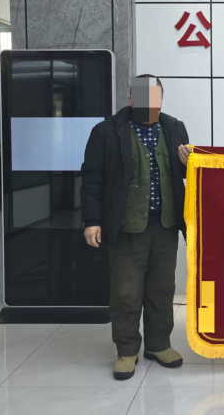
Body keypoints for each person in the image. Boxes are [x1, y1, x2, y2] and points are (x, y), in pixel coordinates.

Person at [80, 74, 193, 381]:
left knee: (162, 290)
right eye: (142, 98)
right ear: (131, 99)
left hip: (165, 224)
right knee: (125, 292)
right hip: (126, 226)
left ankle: (159, 345)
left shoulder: (175, 127)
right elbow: (91, 178)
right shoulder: (106, 131)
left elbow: (184, 174)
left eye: (154, 98)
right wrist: (92, 220)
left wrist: (189, 163)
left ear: (161, 99)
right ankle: (127, 350)